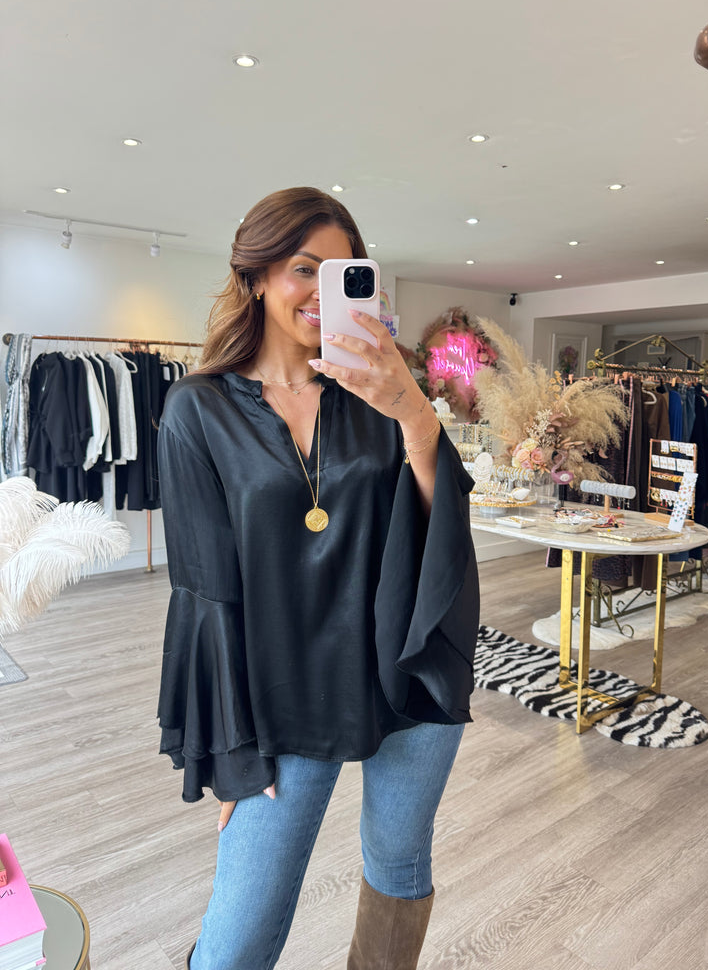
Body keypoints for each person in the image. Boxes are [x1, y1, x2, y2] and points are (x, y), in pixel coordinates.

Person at [157, 186, 480, 970]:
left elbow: (440, 528)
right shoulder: (198, 410)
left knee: (398, 863)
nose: (319, 292)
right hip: (284, 695)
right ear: (256, 277)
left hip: (406, 668)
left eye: (341, 274)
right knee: (237, 937)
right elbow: (202, 591)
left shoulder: (381, 393)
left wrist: (415, 416)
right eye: (305, 269)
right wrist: (231, 748)